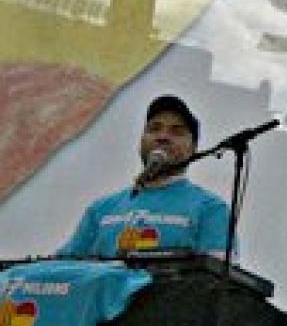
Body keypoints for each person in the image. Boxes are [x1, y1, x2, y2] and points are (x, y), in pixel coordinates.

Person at [58, 95, 231, 257]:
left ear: (193, 148)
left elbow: (220, 281)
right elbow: (61, 271)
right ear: (141, 140)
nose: (163, 137)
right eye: (154, 128)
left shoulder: (210, 208)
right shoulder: (101, 210)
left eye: (176, 131)